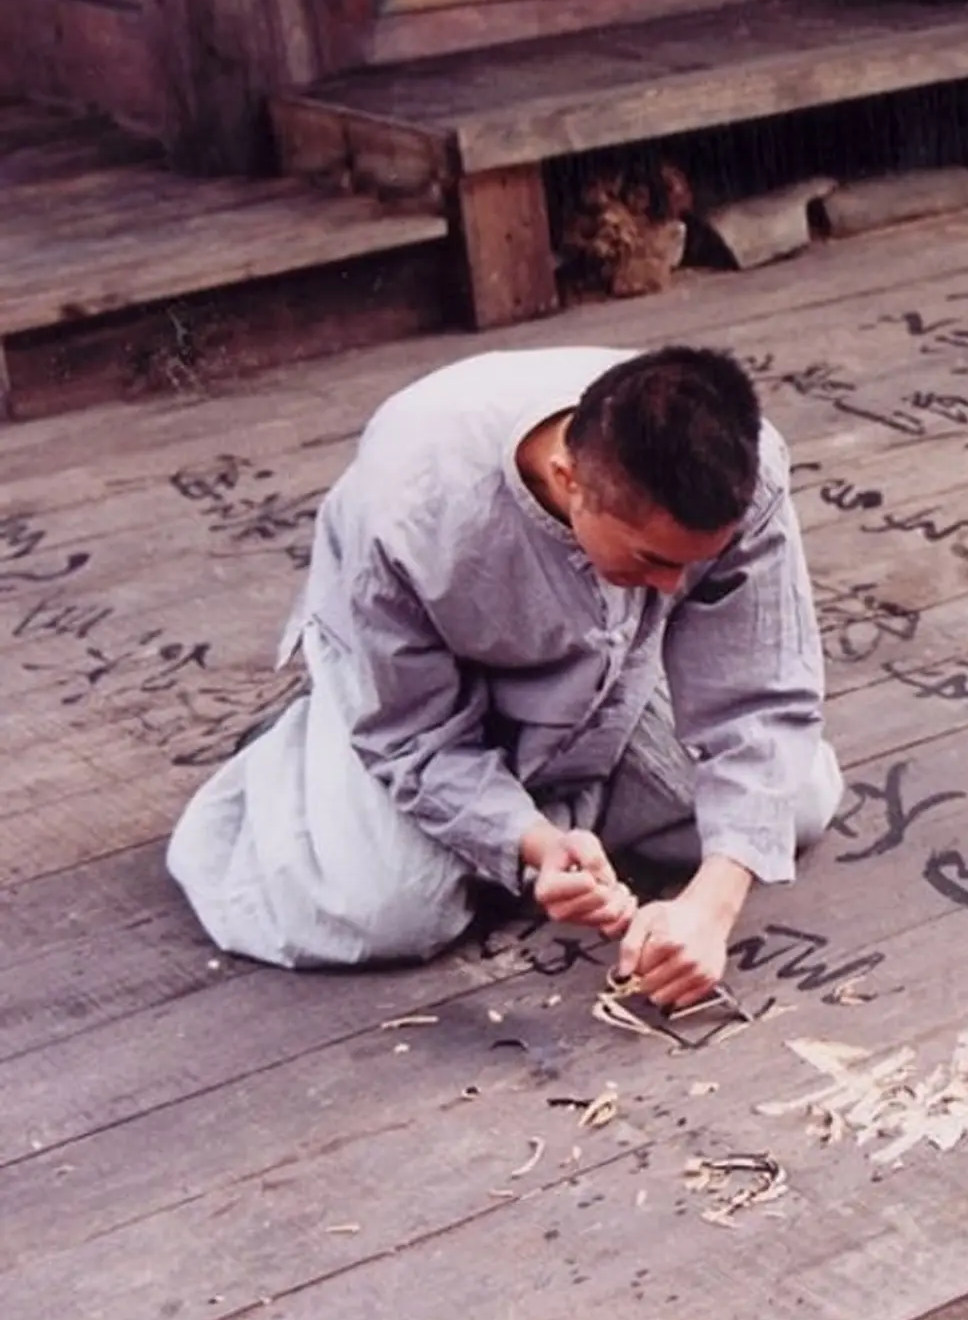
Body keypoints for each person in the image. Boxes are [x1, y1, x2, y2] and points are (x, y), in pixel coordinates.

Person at [166, 344, 846, 1008]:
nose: (675, 587)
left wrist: (708, 907)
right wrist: (530, 841)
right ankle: (304, 753)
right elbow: (414, 731)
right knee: (389, 909)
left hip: (605, 676)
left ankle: (543, 805)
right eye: (650, 559)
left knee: (799, 801)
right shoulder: (407, 506)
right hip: (421, 693)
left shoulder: (743, 466)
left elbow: (761, 695)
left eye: (691, 564)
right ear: (568, 479)